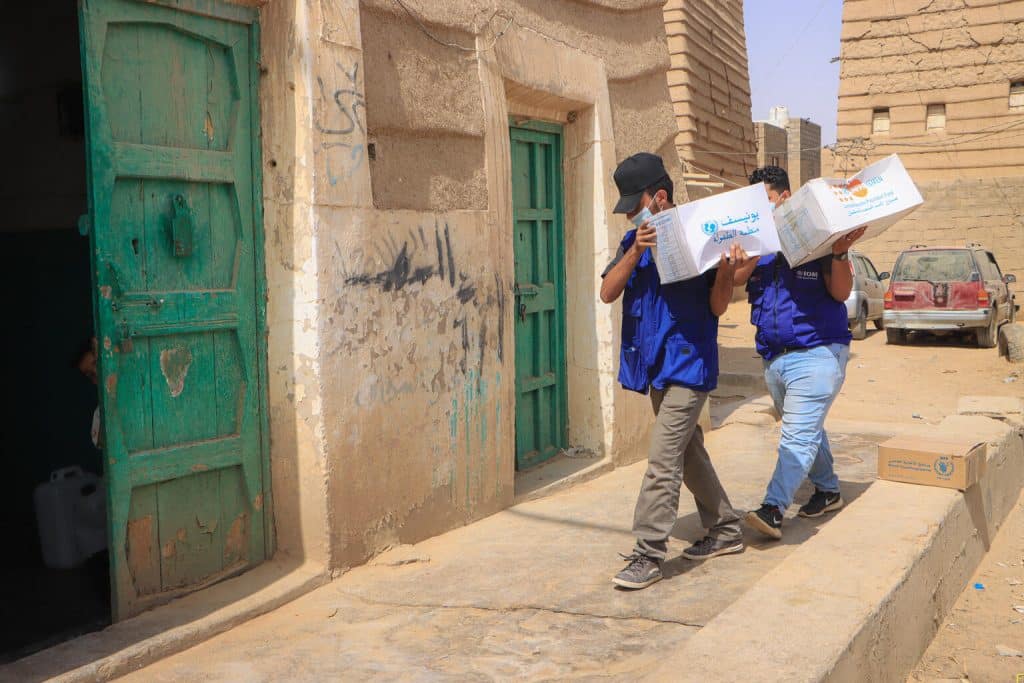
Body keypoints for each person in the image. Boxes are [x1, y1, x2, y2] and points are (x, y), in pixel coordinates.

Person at [601, 152, 748, 590]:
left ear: (659, 196)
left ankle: (648, 552)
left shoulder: (700, 238)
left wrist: (725, 271)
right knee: (687, 453)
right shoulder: (632, 243)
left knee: (662, 458)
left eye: (635, 203)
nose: (630, 212)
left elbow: (719, 305)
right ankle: (725, 529)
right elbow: (608, 291)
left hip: (690, 365)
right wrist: (636, 253)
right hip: (655, 368)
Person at [732, 166, 866, 540]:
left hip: (818, 350)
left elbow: (840, 293)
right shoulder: (757, 245)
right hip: (774, 358)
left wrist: (839, 255)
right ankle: (828, 490)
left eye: (767, 200)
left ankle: (773, 509)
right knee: (806, 428)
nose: (763, 208)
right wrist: (742, 249)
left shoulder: (820, 239)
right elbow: (737, 280)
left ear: (786, 198)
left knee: (796, 436)